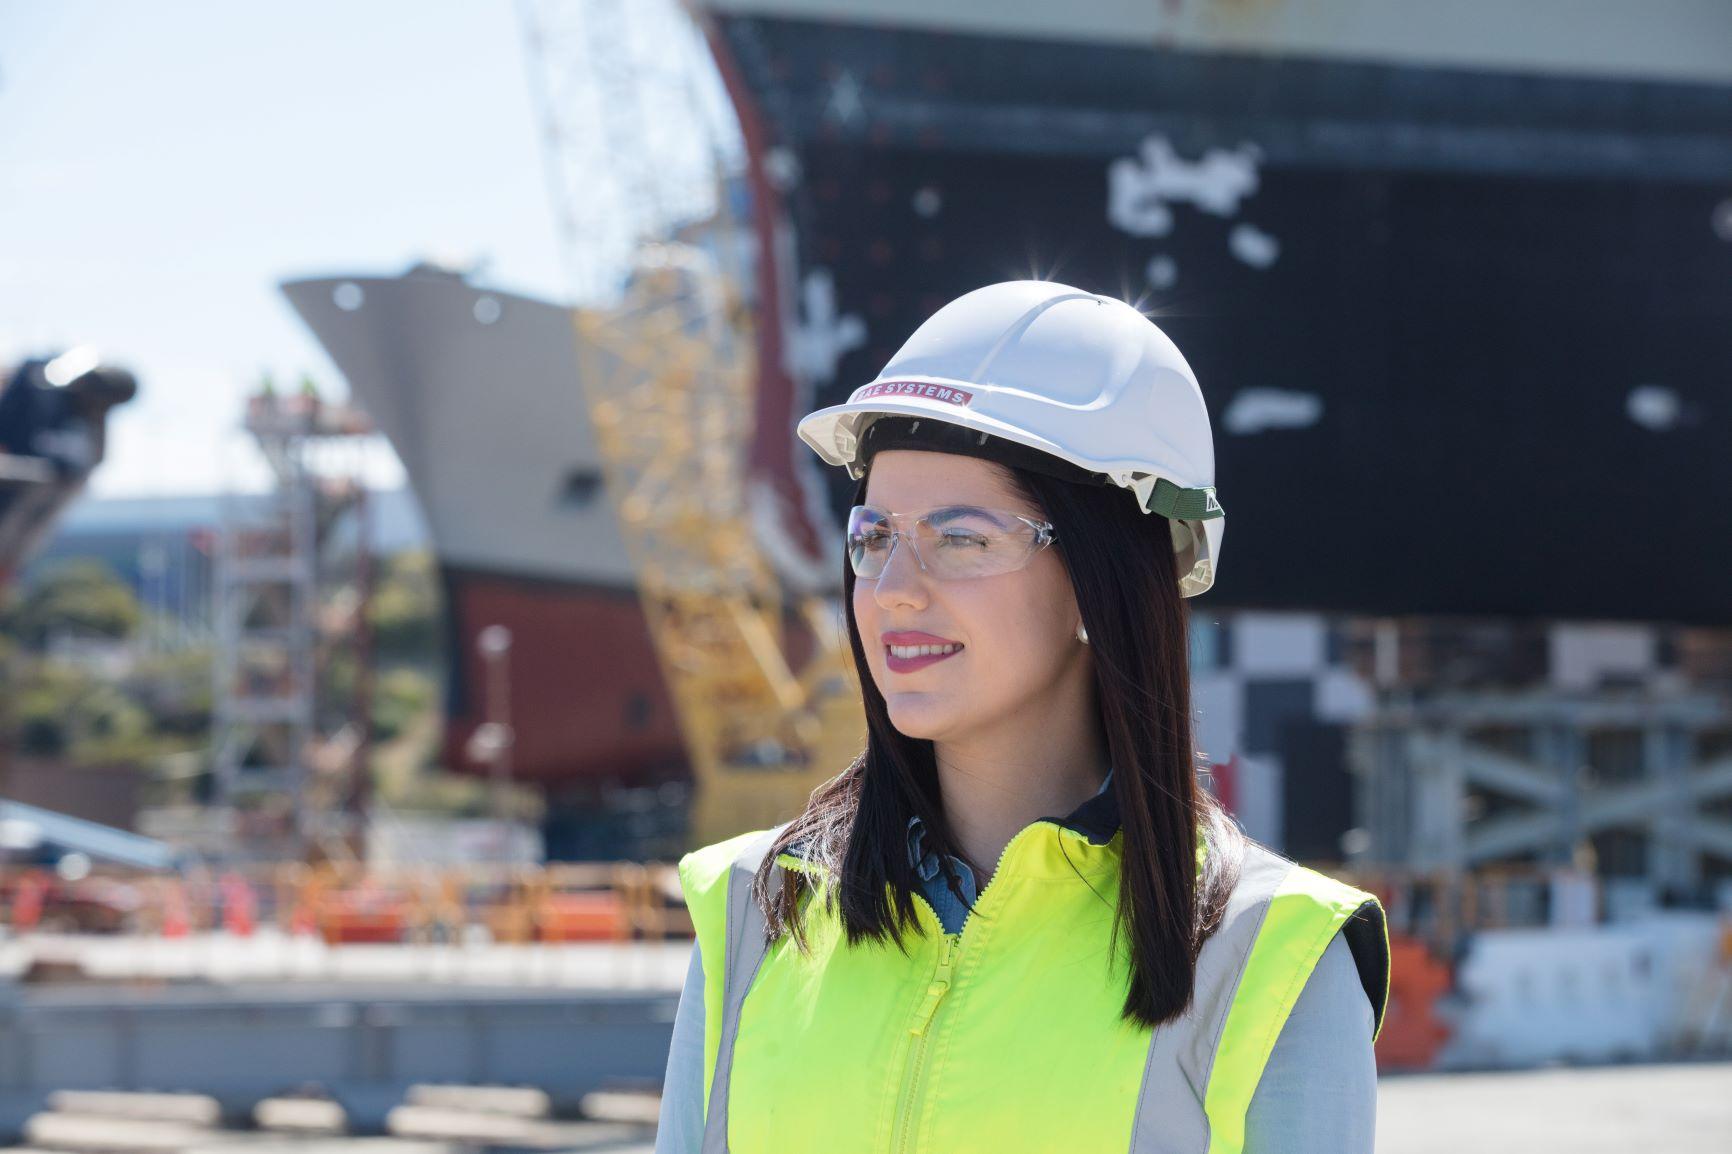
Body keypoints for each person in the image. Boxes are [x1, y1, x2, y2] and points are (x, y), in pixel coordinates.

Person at [655, 281, 1388, 1153]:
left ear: (1099, 578)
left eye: (962, 537)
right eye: (875, 537)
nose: (892, 591)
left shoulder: (1270, 957)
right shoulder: (752, 908)